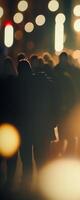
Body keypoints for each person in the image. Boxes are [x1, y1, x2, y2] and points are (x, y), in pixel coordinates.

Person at [55, 52, 80, 154]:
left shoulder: (56, 71)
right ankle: (69, 153)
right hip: (71, 106)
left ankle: (66, 153)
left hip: (63, 107)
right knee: (70, 133)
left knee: (65, 132)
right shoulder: (75, 71)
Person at [0, 57, 18, 188]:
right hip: (13, 121)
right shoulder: (16, 82)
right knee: (12, 151)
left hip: (2, 120)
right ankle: (10, 178)